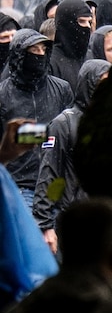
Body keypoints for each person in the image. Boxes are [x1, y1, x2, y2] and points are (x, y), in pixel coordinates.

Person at [32, 58, 109, 247]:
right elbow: (49, 174)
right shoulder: (63, 123)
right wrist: (45, 225)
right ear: (89, 84)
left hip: (105, 220)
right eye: (103, 83)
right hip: (71, 218)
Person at [0, 29, 72, 200]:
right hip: (19, 186)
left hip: (55, 185)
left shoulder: (61, 89)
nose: (40, 54)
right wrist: (43, 134)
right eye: (34, 50)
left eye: (43, 49)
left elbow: (68, 133)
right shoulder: (3, 95)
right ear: (20, 55)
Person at [46, 0, 95, 88]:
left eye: (89, 22)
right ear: (67, 23)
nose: (87, 27)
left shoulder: (89, 56)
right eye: (81, 21)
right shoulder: (50, 61)